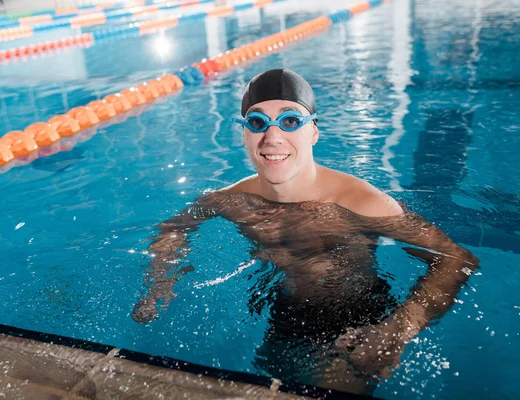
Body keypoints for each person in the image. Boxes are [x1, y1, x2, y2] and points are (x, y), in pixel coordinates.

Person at [131, 69, 479, 393]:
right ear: (244, 133)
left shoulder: (360, 203)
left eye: (290, 120)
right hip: (282, 312)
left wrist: (396, 329)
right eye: (257, 122)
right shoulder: (232, 201)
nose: (272, 137)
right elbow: (174, 228)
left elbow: (455, 259)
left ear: (313, 130)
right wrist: (162, 278)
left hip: (354, 321)